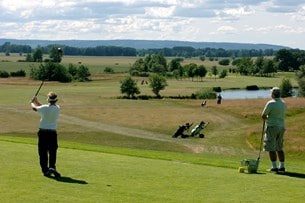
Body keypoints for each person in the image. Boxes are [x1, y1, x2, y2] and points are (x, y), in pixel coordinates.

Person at [31, 92, 61, 178]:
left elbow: (35, 108)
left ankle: (45, 170)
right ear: (56, 100)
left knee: (43, 151)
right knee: (52, 151)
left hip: (43, 133)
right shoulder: (57, 108)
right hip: (52, 133)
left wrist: (32, 102)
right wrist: (36, 101)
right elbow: (43, 107)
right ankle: (52, 167)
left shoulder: (44, 108)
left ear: (48, 99)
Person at [261, 87, 286, 173]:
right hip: (281, 127)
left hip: (272, 127)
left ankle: (274, 167)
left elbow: (263, 116)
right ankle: (282, 167)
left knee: (271, 147)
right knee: (279, 147)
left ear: (273, 94)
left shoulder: (271, 103)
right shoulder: (283, 103)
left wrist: (268, 117)